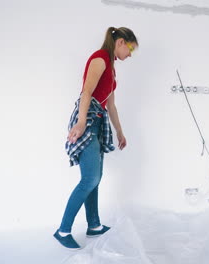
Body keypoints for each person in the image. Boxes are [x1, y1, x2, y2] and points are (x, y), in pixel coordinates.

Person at [54, 27, 138, 249]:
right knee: (89, 179)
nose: (130, 54)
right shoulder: (100, 59)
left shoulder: (111, 68)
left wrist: (120, 132)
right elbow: (86, 92)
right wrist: (81, 122)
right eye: (130, 49)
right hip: (88, 118)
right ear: (120, 42)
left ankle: (94, 225)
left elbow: (110, 105)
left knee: (95, 178)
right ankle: (63, 230)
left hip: (99, 121)